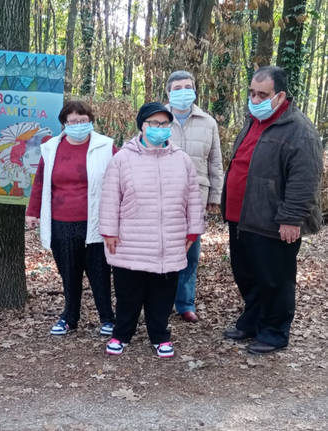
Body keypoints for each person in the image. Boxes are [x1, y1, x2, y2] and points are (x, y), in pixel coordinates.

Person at [221, 66, 323, 354]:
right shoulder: (253, 120)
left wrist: (291, 218)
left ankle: (275, 331)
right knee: (246, 273)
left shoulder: (299, 129)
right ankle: (252, 320)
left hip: (272, 219)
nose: (255, 99)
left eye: (262, 94)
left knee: (275, 278)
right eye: (252, 93)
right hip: (241, 216)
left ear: (279, 96)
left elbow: (305, 179)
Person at [99, 102, 204, 358]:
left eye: (164, 124)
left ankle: (159, 336)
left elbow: (193, 196)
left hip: (170, 240)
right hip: (130, 239)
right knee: (128, 294)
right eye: (154, 123)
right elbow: (110, 197)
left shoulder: (181, 159)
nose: (159, 128)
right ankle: (122, 334)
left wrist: (193, 231)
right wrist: (108, 231)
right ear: (142, 126)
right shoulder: (122, 158)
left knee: (163, 294)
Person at [25, 100, 116, 337]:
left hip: (96, 221)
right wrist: (32, 212)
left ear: (91, 121)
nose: (78, 125)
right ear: (64, 124)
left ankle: (107, 318)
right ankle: (70, 316)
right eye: (73, 121)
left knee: (100, 272)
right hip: (61, 222)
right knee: (69, 272)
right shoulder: (51, 147)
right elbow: (40, 182)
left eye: (83, 121)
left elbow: (120, 180)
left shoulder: (106, 146)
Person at [165, 70, 224, 323]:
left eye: (187, 86)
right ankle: (161, 300)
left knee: (190, 253)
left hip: (196, 197)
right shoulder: (158, 119)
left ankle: (185, 303)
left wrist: (215, 196)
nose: (182, 92)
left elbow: (216, 162)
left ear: (195, 89)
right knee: (163, 250)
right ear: (168, 92)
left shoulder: (208, 122)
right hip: (162, 196)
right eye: (177, 88)